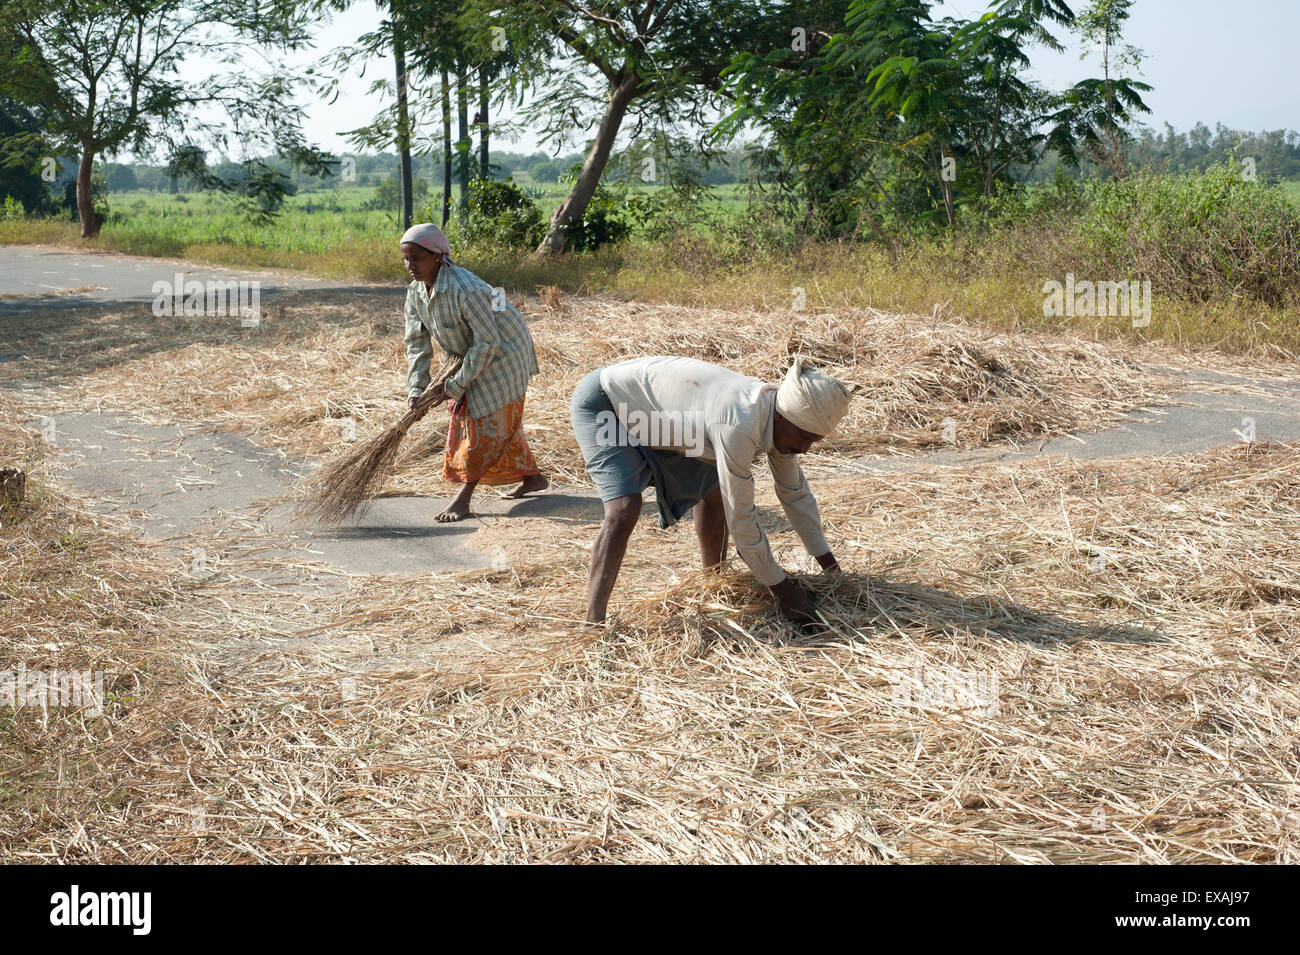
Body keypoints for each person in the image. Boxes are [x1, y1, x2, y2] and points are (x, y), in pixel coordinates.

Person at [570, 354, 851, 625]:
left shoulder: (781, 420)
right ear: (781, 418)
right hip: (608, 402)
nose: (804, 448)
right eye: (803, 437)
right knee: (623, 508)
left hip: (664, 414)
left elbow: (795, 494)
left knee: (714, 490)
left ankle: (712, 583)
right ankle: (593, 623)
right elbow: (742, 523)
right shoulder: (739, 423)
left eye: (813, 441)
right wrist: (785, 593)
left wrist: (832, 572)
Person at [400, 223, 548, 522]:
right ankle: (533, 478)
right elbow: (417, 344)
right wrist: (417, 390)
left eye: (417, 258)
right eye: (406, 258)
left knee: (483, 422)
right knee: (497, 420)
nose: (410, 266)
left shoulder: (465, 289)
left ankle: (463, 499)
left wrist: (453, 385)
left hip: (505, 352)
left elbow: (488, 342)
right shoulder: (415, 293)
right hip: (474, 352)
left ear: (438, 257)